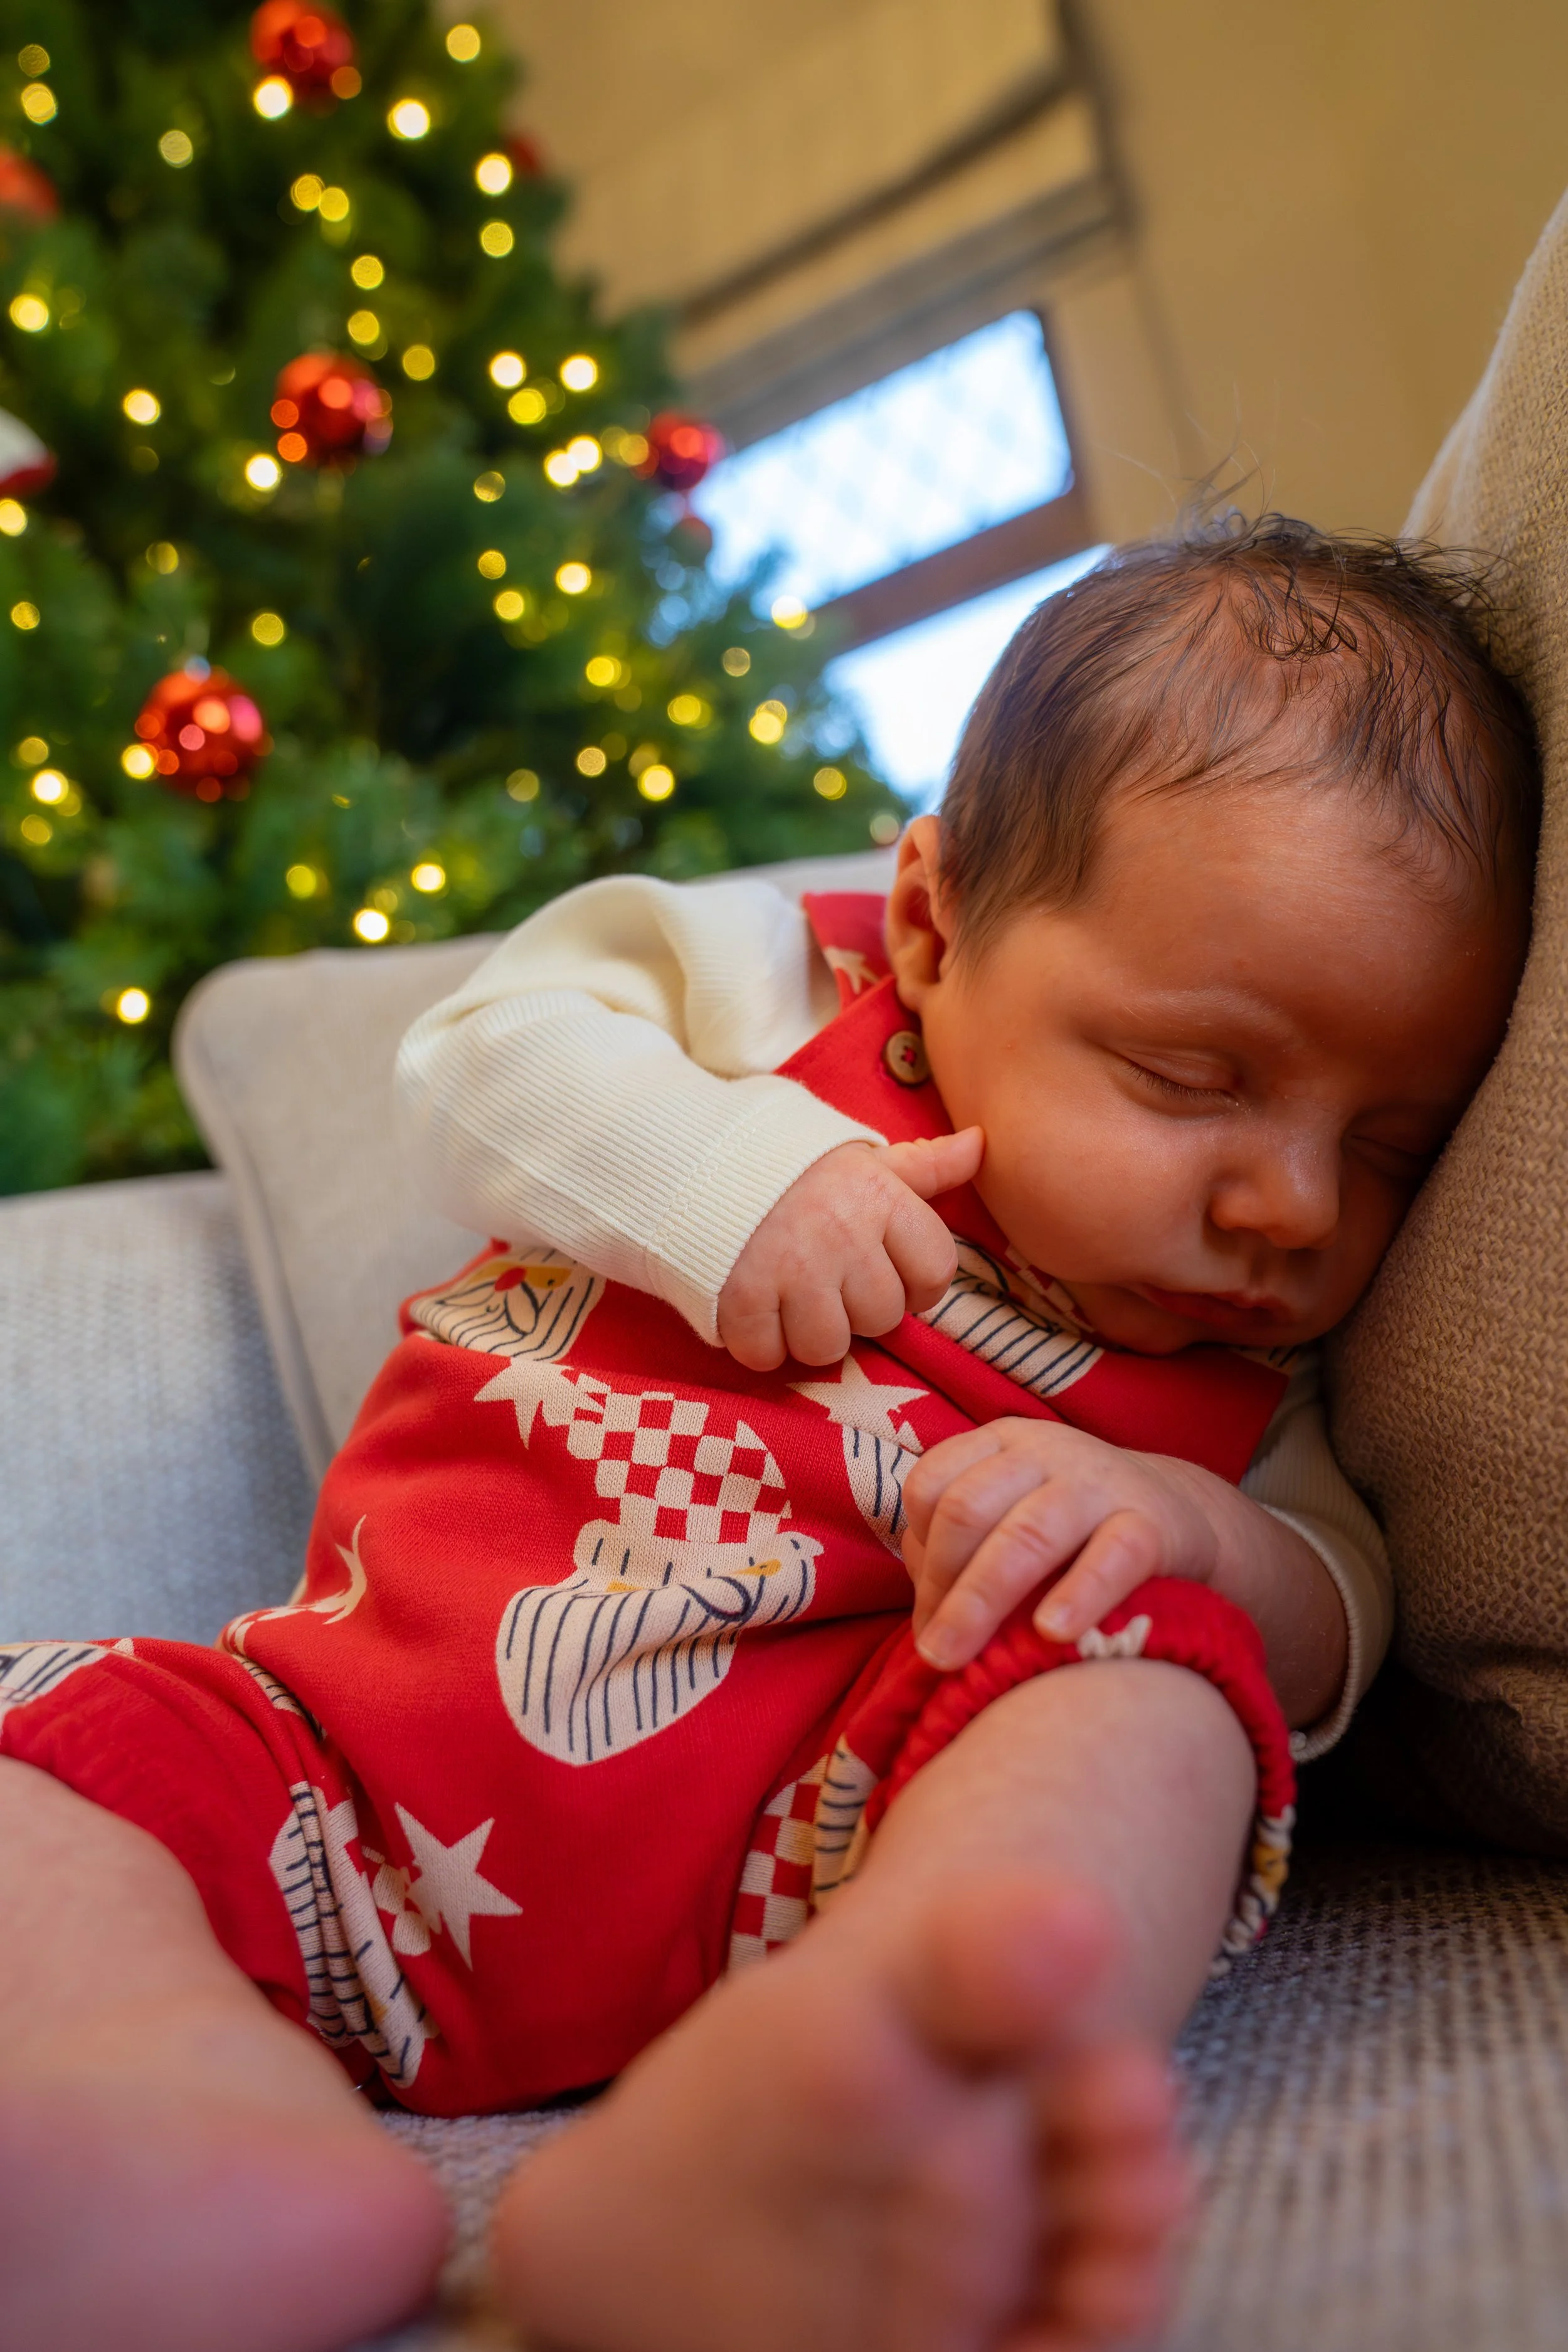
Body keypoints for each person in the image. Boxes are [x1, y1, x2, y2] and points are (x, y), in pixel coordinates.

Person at [0, 519, 1538, 2352]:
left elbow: (1340, 1601)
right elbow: (481, 1052)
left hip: (841, 1845)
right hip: (328, 1778)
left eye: (1386, 1146)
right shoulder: (760, 996)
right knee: (51, 1765)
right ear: (928, 922)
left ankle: (864, 2095)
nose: (1289, 1204)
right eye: (1193, 1076)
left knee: (1153, 1683)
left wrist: (1185, 1535)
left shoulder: (1236, 1387)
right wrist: (730, 1177)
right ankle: (157, 2107)